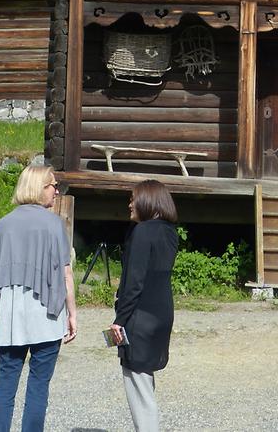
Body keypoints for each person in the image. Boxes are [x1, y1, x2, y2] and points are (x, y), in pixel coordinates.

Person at [0, 164, 77, 432]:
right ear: (38, 188)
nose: (57, 191)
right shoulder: (54, 225)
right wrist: (72, 314)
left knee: (6, 385)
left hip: (11, 317)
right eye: (52, 186)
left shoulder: (4, 225)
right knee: (38, 387)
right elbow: (65, 274)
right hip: (46, 316)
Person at [110, 179, 178, 432]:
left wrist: (119, 319)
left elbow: (134, 283)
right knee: (145, 380)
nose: (129, 204)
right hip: (162, 313)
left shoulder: (142, 232)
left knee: (138, 387)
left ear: (147, 201)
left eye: (133, 199)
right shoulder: (170, 232)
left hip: (140, 317)